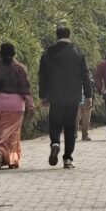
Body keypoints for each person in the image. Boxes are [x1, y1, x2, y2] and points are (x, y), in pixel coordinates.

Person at [39, 26, 92, 169]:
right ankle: (67, 158)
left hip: (55, 96)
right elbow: (85, 75)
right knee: (70, 127)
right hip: (73, 96)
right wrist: (88, 95)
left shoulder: (48, 53)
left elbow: (42, 77)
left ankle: (55, 143)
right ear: (70, 35)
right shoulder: (77, 53)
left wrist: (43, 95)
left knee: (55, 124)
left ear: (56, 36)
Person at [0, 43, 35, 169]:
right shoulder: (20, 68)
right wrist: (31, 105)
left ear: (0, 53)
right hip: (16, 105)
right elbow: (25, 88)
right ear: (14, 53)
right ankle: (12, 160)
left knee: (0, 132)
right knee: (13, 134)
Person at [76, 62, 95, 141]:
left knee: (86, 120)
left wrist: (92, 101)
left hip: (87, 101)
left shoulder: (91, 82)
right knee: (75, 119)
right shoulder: (75, 80)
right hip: (77, 101)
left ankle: (85, 135)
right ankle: (74, 134)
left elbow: (92, 93)